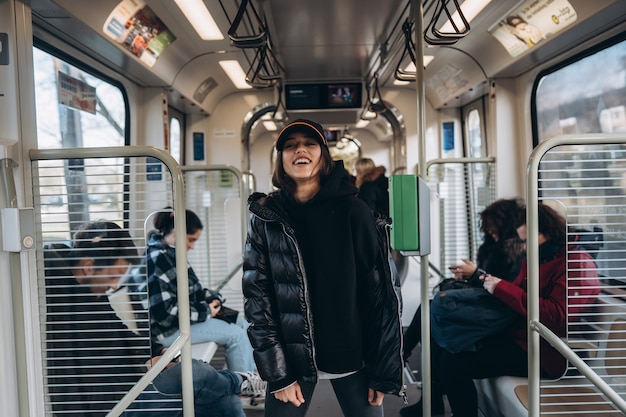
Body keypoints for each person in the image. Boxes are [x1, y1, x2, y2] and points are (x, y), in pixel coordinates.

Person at [242, 119, 404, 417]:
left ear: (323, 156)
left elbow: (381, 295)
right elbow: (258, 299)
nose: (300, 149)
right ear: (281, 159)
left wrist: (384, 370)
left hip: (353, 353)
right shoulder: (266, 218)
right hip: (292, 359)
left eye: (310, 143)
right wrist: (277, 373)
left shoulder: (354, 212)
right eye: (289, 145)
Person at [44, 220, 264, 417]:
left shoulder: (90, 289)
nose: (113, 286)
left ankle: (236, 383)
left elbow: (120, 331)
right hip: (118, 404)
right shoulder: (64, 304)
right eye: (112, 276)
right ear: (89, 266)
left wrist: (156, 352)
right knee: (196, 376)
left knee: (211, 390)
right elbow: (84, 385)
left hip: (133, 385)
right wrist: (144, 370)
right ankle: (239, 381)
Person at [436, 203, 600, 417]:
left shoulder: (576, 264)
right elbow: (518, 294)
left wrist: (499, 286)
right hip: (524, 338)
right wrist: (486, 282)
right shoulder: (540, 259)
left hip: (549, 353)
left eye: (525, 241)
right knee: (450, 346)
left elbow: (557, 317)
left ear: (545, 233)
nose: (523, 248)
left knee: (454, 364)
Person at [400, 197, 527, 417]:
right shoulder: (493, 248)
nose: (492, 234)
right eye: (489, 230)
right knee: (432, 318)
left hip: (502, 316)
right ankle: (428, 398)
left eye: (494, 229)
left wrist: (476, 276)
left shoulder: (518, 253)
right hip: (491, 307)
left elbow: (505, 289)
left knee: (434, 318)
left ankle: (401, 358)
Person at [145, 208, 257, 373]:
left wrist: (210, 299)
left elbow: (192, 290)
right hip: (167, 331)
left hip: (182, 321)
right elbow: (164, 315)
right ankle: (243, 385)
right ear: (177, 232)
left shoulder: (172, 254)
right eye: (190, 240)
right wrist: (206, 310)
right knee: (236, 336)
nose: (192, 246)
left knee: (242, 324)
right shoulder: (157, 259)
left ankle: (254, 375)